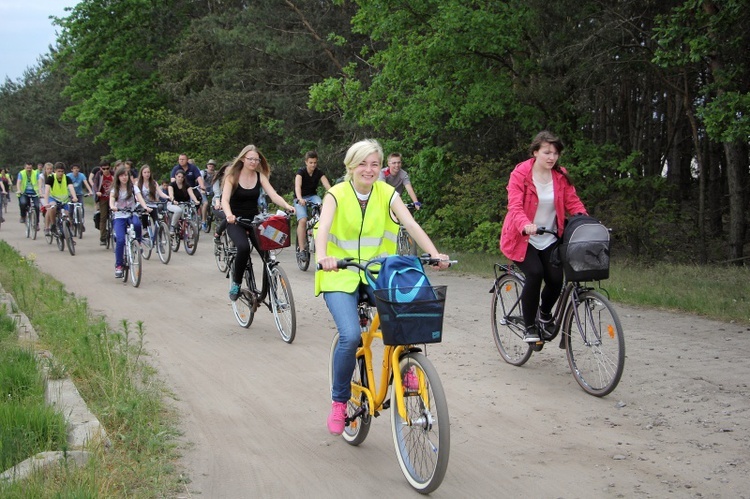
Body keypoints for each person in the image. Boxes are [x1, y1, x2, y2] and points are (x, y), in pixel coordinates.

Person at [315, 139, 449, 435]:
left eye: (375, 164)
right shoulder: (335, 194)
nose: (369, 169)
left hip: (377, 274)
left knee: (409, 310)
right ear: (350, 166)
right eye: (363, 163)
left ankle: (407, 366)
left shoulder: (388, 193)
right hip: (340, 274)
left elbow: (411, 225)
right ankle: (339, 402)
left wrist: (435, 252)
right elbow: (323, 228)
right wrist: (324, 256)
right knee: (350, 336)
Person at [499, 131, 588, 343]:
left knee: (556, 279)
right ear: (535, 152)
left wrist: (585, 221)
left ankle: (545, 314)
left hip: (549, 236)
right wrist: (525, 225)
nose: (551, 157)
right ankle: (529, 326)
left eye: (555, 153)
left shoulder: (560, 176)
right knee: (535, 273)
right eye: (547, 152)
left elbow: (573, 203)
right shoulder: (520, 174)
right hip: (522, 238)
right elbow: (515, 206)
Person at [221, 145, 294, 301]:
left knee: (268, 253)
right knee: (243, 247)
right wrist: (229, 215)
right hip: (236, 221)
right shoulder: (232, 176)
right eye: (250, 159)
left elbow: (273, 195)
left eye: (256, 159)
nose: (253, 162)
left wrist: (287, 206)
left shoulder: (260, 176)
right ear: (242, 159)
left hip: (255, 222)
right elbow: (225, 200)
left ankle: (274, 293)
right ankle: (236, 283)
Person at [110, 165, 151, 278]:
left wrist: (145, 207)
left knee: (137, 224)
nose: (124, 177)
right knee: (120, 240)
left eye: (126, 175)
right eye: (122, 175)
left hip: (131, 213)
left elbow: (140, 198)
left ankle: (138, 243)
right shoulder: (115, 189)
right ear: (118, 177)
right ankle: (119, 266)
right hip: (119, 216)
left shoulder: (133, 188)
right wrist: (113, 206)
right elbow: (111, 200)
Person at [293, 151, 331, 260]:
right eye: (311, 163)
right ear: (306, 162)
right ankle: (301, 249)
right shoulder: (301, 172)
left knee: (323, 208)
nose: (313, 165)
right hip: (300, 198)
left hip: (312, 196)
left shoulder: (318, 172)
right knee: (303, 220)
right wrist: (300, 198)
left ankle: (320, 236)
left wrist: (333, 195)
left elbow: (327, 185)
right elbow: (297, 187)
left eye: (315, 162)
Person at [171, 154, 208, 230]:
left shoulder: (193, 168)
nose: (181, 161)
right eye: (180, 159)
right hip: (180, 189)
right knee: (179, 202)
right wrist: (174, 187)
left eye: (183, 159)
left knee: (198, 198)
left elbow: (199, 177)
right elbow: (173, 179)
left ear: (187, 160)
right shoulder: (176, 168)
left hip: (192, 188)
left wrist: (202, 187)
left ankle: (194, 213)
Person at [137, 164, 170, 242]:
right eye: (145, 172)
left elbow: (160, 193)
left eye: (148, 172)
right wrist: (139, 200)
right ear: (141, 173)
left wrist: (168, 197)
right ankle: (145, 230)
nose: (147, 174)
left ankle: (160, 241)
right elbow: (136, 195)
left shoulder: (154, 183)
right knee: (144, 213)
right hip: (142, 204)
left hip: (152, 204)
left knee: (157, 223)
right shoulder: (138, 183)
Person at [43, 162, 78, 234]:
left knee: (67, 216)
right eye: (59, 171)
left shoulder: (67, 178)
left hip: (64, 200)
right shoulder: (51, 178)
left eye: (62, 171)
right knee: (53, 207)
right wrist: (46, 203)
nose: (60, 173)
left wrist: (74, 197)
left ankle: (69, 237)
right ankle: (53, 225)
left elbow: (71, 187)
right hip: (53, 198)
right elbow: (47, 191)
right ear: (55, 171)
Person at [92, 161, 114, 245]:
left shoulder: (113, 174)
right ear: (101, 168)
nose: (105, 170)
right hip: (103, 198)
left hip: (112, 198)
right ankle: (103, 237)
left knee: (117, 215)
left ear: (110, 167)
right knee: (103, 217)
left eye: (107, 168)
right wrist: (97, 191)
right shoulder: (99, 175)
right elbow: (95, 185)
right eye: (103, 168)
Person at [67, 164, 94, 231]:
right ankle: (71, 223)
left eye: (77, 168)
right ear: (72, 170)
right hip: (70, 195)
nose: (76, 170)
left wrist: (90, 191)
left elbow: (86, 183)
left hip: (79, 194)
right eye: (74, 168)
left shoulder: (81, 175)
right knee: (70, 210)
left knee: (81, 208)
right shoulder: (68, 176)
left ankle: (81, 223)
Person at [16, 162, 40, 227]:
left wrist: (40, 191)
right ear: (24, 168)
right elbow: (18, 182)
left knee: (37, 206)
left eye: (30, 168)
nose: (29, 169)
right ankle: (23, 216)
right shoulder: (21, 173)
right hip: (24, 192)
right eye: (27, 168)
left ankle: (36, 223)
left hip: (34, 193)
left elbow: (39, 182)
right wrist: (19, 190)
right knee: (23, 203)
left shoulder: (35, 173)